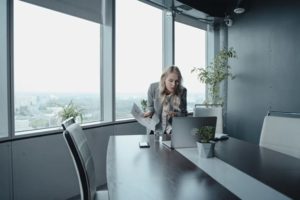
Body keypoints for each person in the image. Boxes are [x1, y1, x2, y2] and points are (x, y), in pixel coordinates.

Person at [144, 66, 187, 134]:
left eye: (177, 81)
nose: (173, 85)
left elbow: (184, 114)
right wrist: (149, 112)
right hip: (155, 129)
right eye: (170, 81)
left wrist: (176, 114)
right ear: (164, 79)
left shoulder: (182, 91)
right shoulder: (153, 88)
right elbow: (150, 107)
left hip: (172, 130)